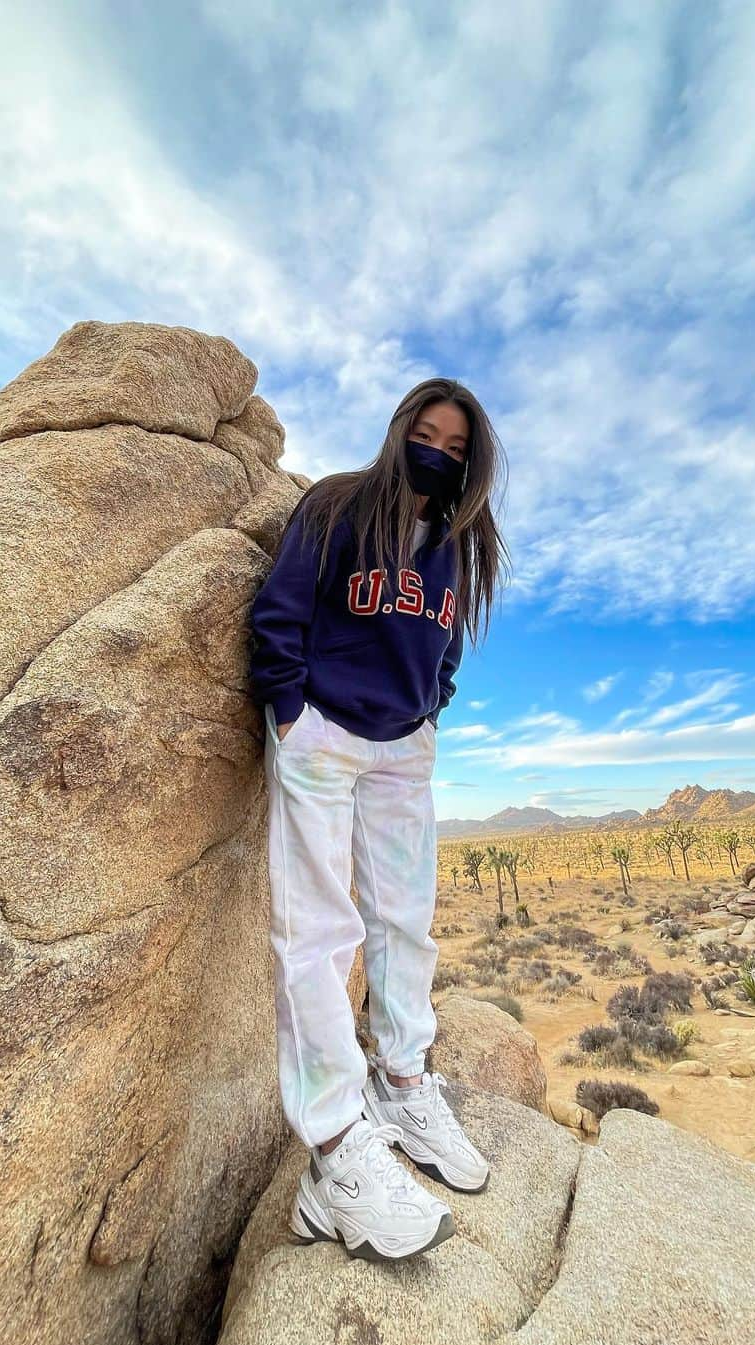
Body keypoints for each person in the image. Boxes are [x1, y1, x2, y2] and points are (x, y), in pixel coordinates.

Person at [248, 377, 509, 1262]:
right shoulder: (337, 507)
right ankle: (333, 1149)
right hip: (321, 733)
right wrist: (290, 708)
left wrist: (431, 709)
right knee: (317, 932)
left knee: (404, 920)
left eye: (458, 446)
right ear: (401, 429)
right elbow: (281, 608)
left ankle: (403, 1082)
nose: (439, 451)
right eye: (427, 432)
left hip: (404, 749)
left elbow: (445, 646)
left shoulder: (461, 546)